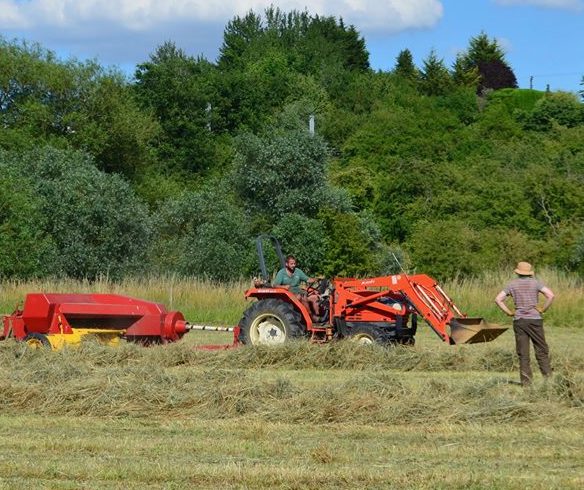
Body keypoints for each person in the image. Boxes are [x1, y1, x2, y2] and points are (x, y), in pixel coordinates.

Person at [495, 261, 555, 386]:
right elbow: (551, 295)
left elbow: (498, 299)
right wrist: (543, 309)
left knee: (523, 353)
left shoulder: (512, 284)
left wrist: (508, 312)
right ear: (529, 273)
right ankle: (549, 380)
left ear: (518, 272)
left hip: (519, 321)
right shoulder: (536, 283)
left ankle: (527, 383)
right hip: (535, 320)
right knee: (541, 350)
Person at [273, 255, 321, 321]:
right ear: (287, 264)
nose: (293, 265)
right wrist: (284, 287)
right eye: (291, 264)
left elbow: (307, 279)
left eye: (294, 263)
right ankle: (311, 316)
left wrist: (316, 279)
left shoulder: (298, 271)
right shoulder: (281, 273)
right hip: (288, 295)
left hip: (298, 291)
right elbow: (275, 285)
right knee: (301, 297)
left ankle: (319, 316)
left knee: (315, 297)